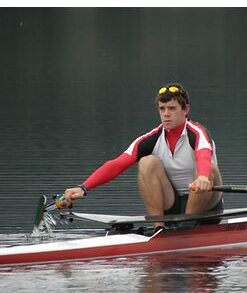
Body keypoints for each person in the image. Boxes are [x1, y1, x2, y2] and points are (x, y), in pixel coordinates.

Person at [63, 83, 223, 229]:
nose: (166, 114)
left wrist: (202, 177)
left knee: (211, 170)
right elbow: (117, 164)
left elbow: (203, 155)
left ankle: (188, 225)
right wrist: (83, 187)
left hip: (206, 205)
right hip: (172, 203)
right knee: (147, 162)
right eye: (162, 108)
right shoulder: (151, 138)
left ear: (185, 110)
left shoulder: (197, 133)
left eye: (172, 108)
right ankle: (158, 227)